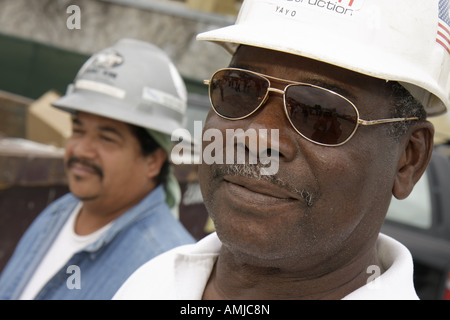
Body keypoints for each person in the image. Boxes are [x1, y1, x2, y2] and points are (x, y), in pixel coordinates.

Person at [113, 0, 449, 300]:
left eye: (321, 113)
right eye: (240, 89)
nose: (257, 138)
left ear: (409, 159)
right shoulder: (152, 280)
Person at [0, 38, 195, 300]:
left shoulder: (167, 271)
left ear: (153, 160)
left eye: (107, 138)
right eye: (78, 130)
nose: (81, 150)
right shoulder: (59, 213)